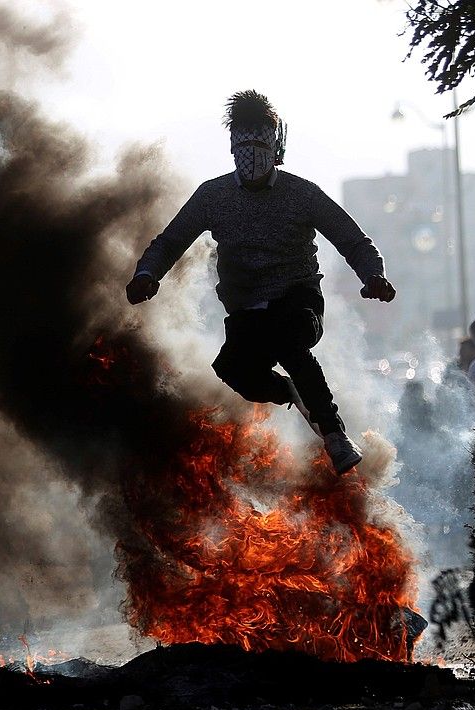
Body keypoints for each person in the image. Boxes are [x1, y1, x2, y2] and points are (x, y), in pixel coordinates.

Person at [125, 90, 396, 475]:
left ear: (275, 148)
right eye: (242, 145)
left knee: (289, 338)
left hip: (298, 298)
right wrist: (146, 275)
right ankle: (290, 392)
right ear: (232, 148)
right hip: (246, 310)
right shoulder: (212, 196)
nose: (250, 154)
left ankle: (335, 435)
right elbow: (170, 241)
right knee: (233, 370)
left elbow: (351, 238)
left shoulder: (301, 194)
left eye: (258, 144)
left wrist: (374, 276)